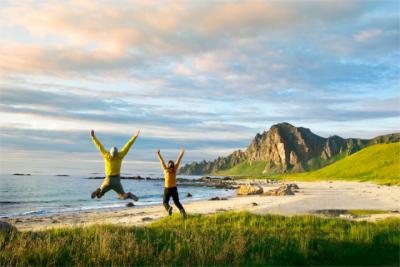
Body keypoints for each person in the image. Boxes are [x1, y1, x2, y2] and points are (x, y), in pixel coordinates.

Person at [90, 129, 140, 201]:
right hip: (117, 181)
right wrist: (134, 136)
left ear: (110, 152)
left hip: (108, 180)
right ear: (117, 153)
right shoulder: (120, 155)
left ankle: (98, 191)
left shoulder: (106, 156)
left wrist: (93, 137)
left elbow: (100, 146)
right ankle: (129, 195)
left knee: (99, 195)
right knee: (123, 196)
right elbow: (128, 145)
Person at [157, 148, 186, 217]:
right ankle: (183, 213)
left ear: (168, 165)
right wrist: (182, 153)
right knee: (177, 202)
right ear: (173, 165)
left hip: (167, 189)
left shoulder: (165, 169)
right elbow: (178, 160)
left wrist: (158, 154)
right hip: (174, 189)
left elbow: (162, 161)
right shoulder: (175, 169)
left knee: (165, 202)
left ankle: (169, 208)